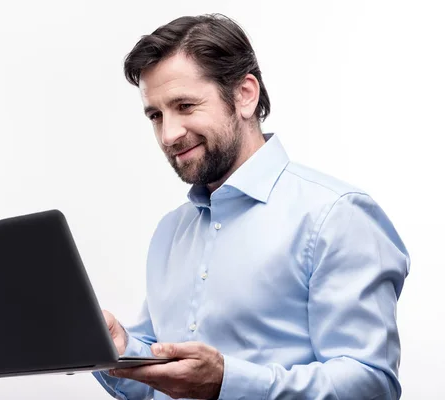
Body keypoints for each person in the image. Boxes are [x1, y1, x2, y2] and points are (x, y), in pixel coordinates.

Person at [91, 13, 410, 400]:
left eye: (185, 106)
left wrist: (227, 382)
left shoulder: (336, 216)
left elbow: (370, 385)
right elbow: (167, 384)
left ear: (244, 94)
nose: (169, 134)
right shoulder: (170, 231)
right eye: (156, 115)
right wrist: (119, 350)